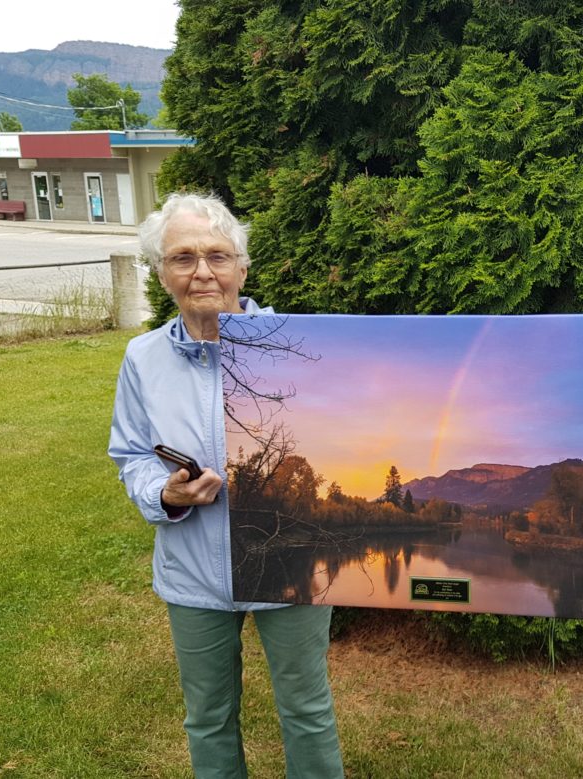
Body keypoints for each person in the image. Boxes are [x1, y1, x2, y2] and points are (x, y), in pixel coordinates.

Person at [108, 193, 344, 778]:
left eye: (217, 255)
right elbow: (132, 452)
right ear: (163, 273)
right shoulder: (142, 358)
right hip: (193, 573)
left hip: (288, 565)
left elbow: (337, 444)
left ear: (242, 267)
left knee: (307, 710)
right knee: (208, 717)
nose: (203, 272)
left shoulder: (301, 348)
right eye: (183, 258)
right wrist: (163, 495)